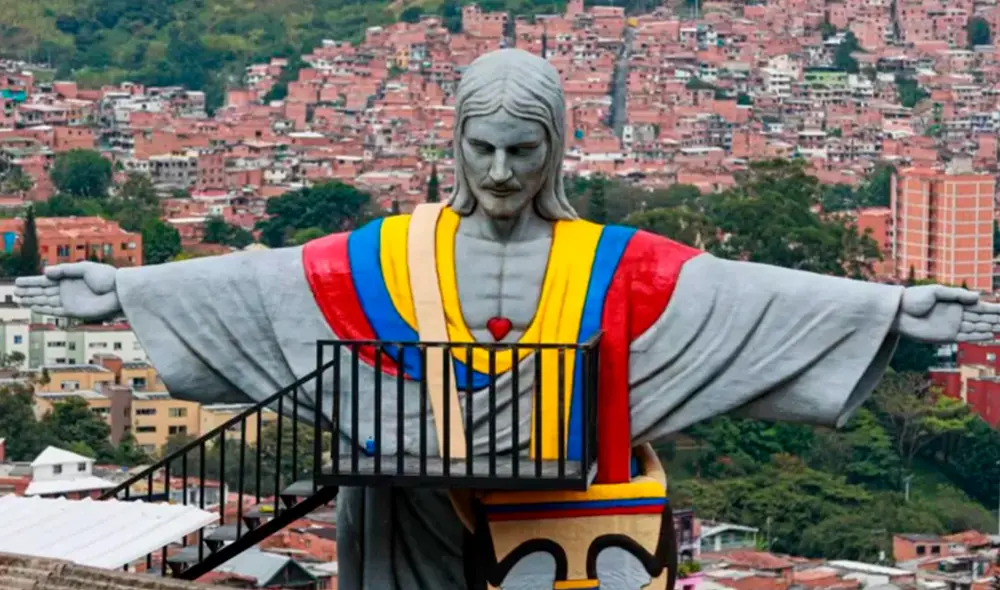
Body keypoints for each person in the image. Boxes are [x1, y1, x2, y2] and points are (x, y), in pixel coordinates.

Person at [14, 49, 1000, 589]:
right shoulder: (394, 253)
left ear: (555, 149)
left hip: (576, 513)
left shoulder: (613, 264)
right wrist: (134, 292)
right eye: (481, 149)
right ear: (455, 142)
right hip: (405, 517)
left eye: (521, 151)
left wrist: (890, 309)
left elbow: (739, 295)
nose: (498, 174)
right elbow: (268, 281)